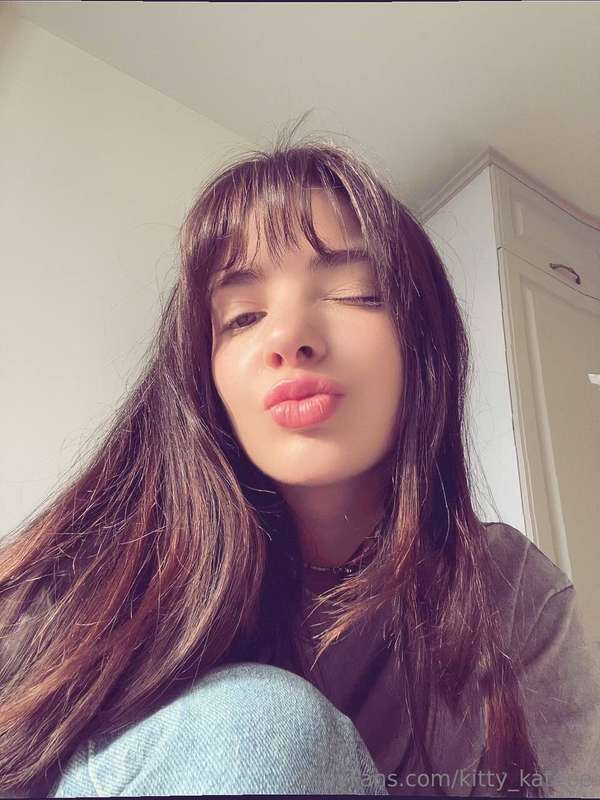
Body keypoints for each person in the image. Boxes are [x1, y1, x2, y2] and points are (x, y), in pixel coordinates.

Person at [1, 114, 599, 798]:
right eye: (242, 317)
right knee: (258, 730)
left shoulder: (512, 593)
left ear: (423, 340)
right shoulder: (98, 573)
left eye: (354, 293)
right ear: (203, 376)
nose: (288, 337)